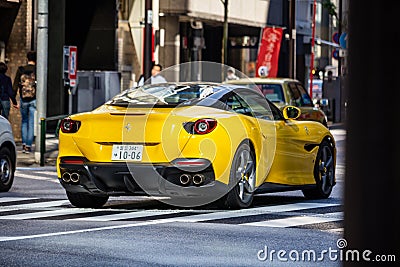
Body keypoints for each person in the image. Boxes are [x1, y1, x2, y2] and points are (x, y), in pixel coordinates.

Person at [13, 51, 37, 154]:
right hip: (34, 98)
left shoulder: (21, 69)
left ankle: (23, 144)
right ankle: (28, 146)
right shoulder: (36, 70)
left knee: (24, 121)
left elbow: (15, 85)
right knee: (31, 122)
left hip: (23, 99)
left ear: (27, 58)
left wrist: (14, 100)